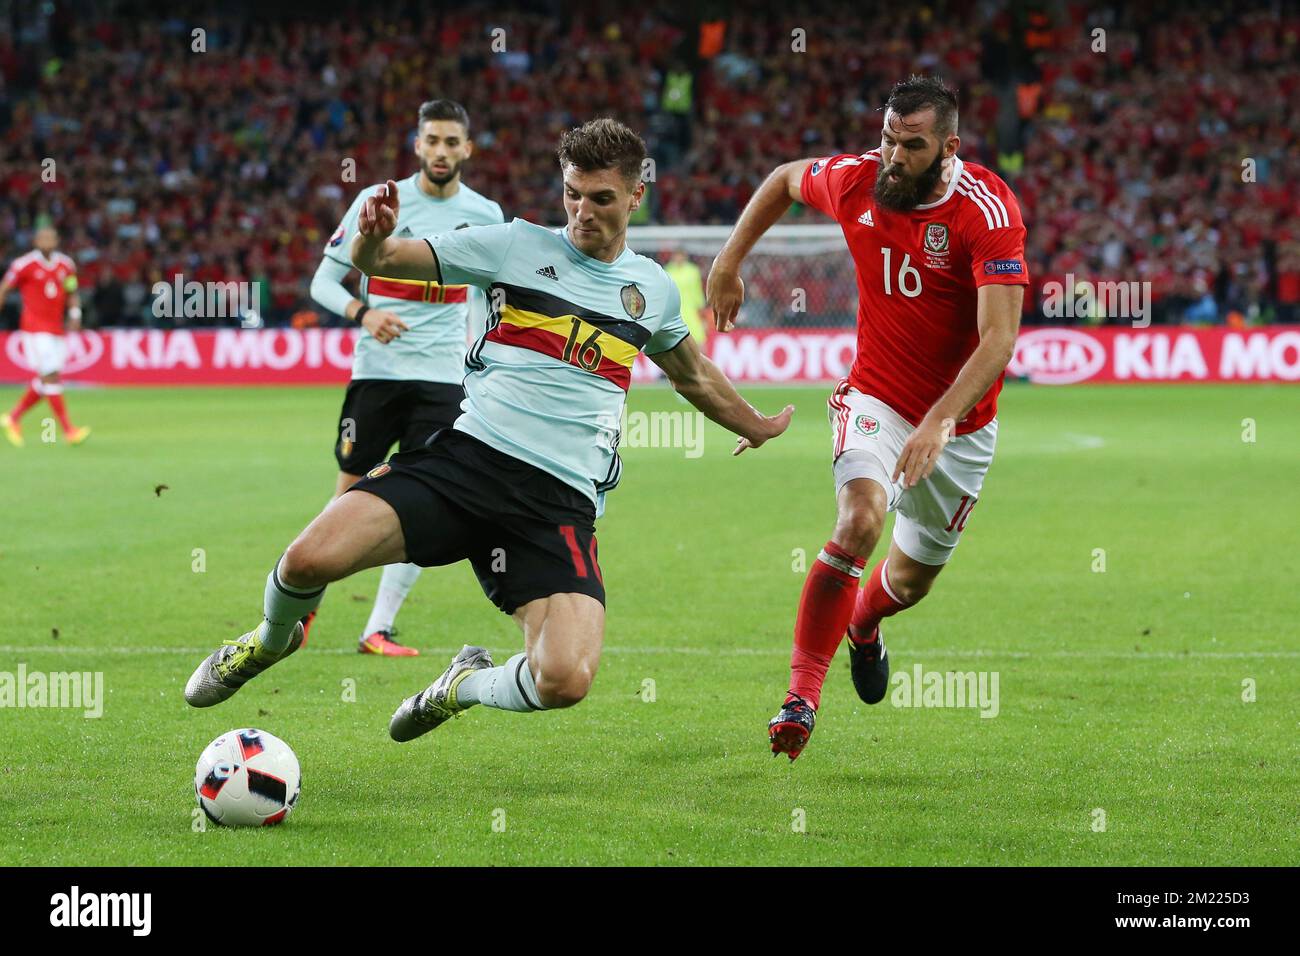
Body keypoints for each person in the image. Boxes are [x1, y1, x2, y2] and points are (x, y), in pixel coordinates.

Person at [184, 119, 794, 747]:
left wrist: (757, 425)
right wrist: (371, 242)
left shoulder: (654, 292)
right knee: (306, 560)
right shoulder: (512, 246)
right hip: (466, 464)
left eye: (601, 199)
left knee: (566, 679)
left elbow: (692, 374)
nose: (583, 212)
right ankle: (265, 642)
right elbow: (388, 261)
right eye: (572, 194)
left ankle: (461, 685)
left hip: (556, 503)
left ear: (637, 196)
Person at [708, 76, 1028, 760]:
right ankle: (800, 697)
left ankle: (865, 625)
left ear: (949, 148)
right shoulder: (855, 181)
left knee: (909, 582)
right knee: (858, 520)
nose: (892, 155)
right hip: (875, 399)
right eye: (887, 138)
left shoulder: (987, 210)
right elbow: (784, 178)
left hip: (959, 426)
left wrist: (941, 421)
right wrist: (728, 262)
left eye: (910, 145)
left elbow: (999, 339)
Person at [307, 98, 504, 656]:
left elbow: (496, 300)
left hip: (443, 380)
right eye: (432, 141)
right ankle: (302, 608)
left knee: (423, 501)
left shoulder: (487, 215)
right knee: (347, 494)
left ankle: (378, 628)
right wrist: (363, 313)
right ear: (417, 145)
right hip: (377, 374)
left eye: (451, 142)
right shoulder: (378, 201)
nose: (441, 151)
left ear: (467, 148)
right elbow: (324, 282)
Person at [1, 226, 90, 447]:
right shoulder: (24, 265)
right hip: (34, 330)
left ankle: (12, 418)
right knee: (51, 377)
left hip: (56, 328)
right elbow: (4, 288)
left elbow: (72, 291)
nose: (47, 241)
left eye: (51, 237)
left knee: (46, 380)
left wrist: (75, 313)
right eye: (43, 237)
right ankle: (69, 431)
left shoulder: (66, 265)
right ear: (36, 241)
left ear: (57, 240)